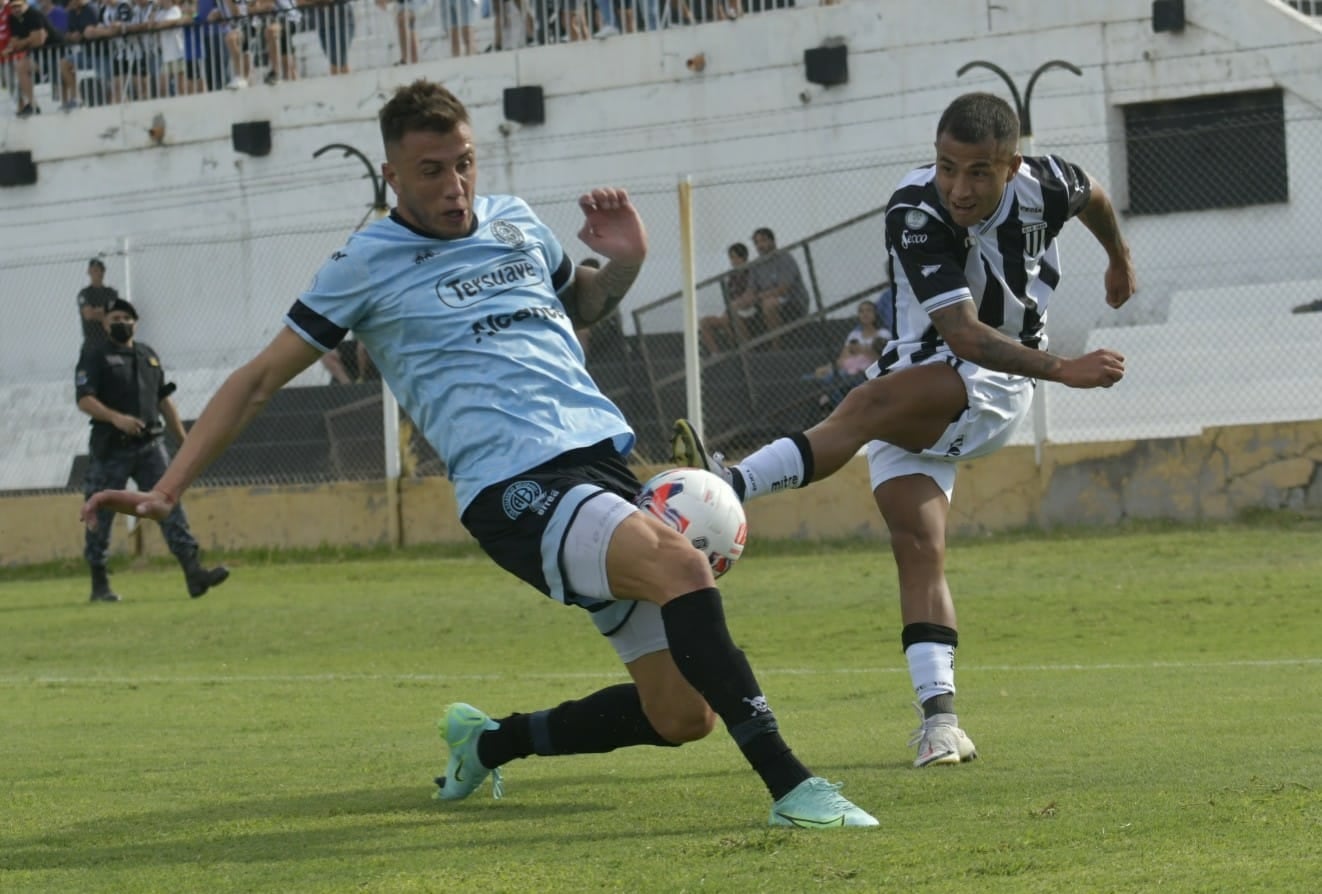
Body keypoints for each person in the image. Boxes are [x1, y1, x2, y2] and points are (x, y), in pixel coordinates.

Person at [82, 79, 878, 829]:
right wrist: (168, 490)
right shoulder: (364, 263)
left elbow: (588, 303)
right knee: (682, 569)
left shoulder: (516, 221)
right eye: (431, 170)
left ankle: (488, 742)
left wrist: (626, 259)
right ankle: (793, 786)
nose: (454, 183)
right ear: (393, 174)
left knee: (682, 715)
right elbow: (256, 380)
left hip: (601, 464)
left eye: (463, 163)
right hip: (514, 486)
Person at [673, 91, 1136, 768]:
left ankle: (724, 485)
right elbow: (959, 331)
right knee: (917, 546)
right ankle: (940, 725)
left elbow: (1092, 194)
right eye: (947, 166)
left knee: (860, 411)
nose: (958, 186)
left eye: (978, 171)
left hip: (991, 386)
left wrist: (1118, 258)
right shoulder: (915, 210)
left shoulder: (1048, 183)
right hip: (928, 378)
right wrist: (1065, 366)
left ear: (1011, 166)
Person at [76, 298, 230, 603]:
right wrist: (116, 418)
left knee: (170, 506)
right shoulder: (95, 356)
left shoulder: (148, 356)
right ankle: (99, 584)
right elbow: (84, 399)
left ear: (136, 322)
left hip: (151, 447)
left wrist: (186, 442)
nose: (120, 321)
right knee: (101, 513)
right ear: (105, 323)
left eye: (126, 317)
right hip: (111, 448)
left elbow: (163, 401)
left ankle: (194, 573)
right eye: (114, 317)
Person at [806, 298, 886, 411]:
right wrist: (827, 368)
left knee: (830, 380)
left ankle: (841, 408)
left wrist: (859, 349)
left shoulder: (883, 333)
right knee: (811, 378)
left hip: (867, 372)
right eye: (861, 311)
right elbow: (843, 358)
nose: (865, 314)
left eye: (869, 310)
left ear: (875, 314)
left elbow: (880, 355)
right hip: (848, 370)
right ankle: (839, 405)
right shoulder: (854, 335)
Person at [745, 226, 808, 345]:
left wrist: (758, 297)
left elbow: (783, 289)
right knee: (734, 308)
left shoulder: (785, 258)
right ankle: (748, 350)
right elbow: (751, 289)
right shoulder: (756, 264)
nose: (760, 245)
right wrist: (745, 300)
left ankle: (776, 346)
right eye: (756, 242)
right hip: (764, 300)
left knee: (769, 304)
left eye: (763, 240)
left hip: (792, 301)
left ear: (772, 241)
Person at [698, 242, 756, 356]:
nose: (733, 261)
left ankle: (746, 349)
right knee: (704, 322)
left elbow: (752, 293)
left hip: (749, 308)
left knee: (728, 318)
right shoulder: (732, 276)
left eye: (735, 257)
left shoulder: (752, 271)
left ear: (743, 257)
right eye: (731, 257)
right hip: (733, 309)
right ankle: (715, 354)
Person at [2, 0, 56, 117]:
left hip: (55, 52)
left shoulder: (33, 14)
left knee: (21, 68)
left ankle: (72, 101)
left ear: (26, 4)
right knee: (21, 69)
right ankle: (32, 105)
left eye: (18, 5)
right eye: (13, 7)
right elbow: (16, 41)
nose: (16, 9)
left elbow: (39, 40)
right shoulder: (14, 18)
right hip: (37, 55)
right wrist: (26, 41)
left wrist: (22, 43)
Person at [78, 258, 121, 346]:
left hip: (109, 340)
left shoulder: (111, 293)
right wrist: (105, 313)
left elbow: (115, 315)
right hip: (91, 342)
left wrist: (96, 311)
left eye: (100, 270)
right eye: (95, 270)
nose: (98, 273)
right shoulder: (85, 293)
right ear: (89, 272)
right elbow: (88, 315)